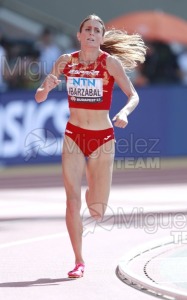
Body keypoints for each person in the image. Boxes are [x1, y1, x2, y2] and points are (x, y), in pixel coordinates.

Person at [35, 14, 146, 279]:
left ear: (102, 37)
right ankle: (78, 260)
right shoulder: (66, 61)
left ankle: (92, 196)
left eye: (97, 30)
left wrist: (125, 113)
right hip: (74, 136)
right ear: (79, 34)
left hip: (102, 139)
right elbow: (39, 97)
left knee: (96, 210)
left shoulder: (110, 63)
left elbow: (134, 95)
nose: (92, 33)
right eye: (87, 29)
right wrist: (46, 88)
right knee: (71, 202)